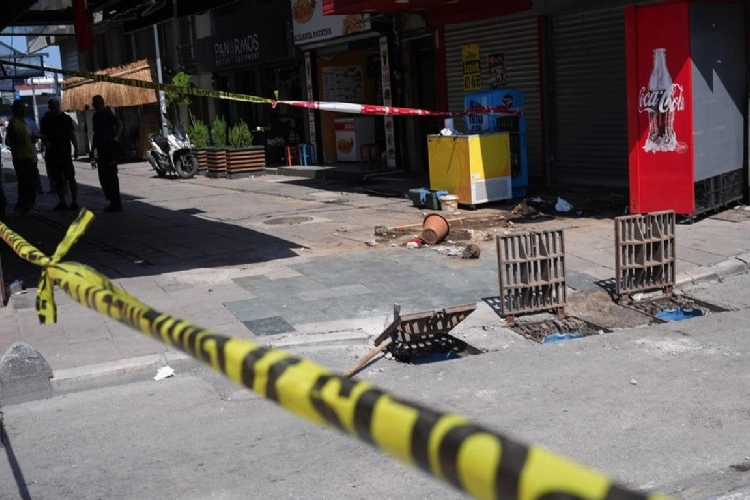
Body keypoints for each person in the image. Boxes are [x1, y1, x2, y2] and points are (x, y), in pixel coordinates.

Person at [40, 97, 80, 211]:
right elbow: (43, 135)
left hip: (65, 153)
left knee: (70, 177)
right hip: (52, 154)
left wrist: (76, 148)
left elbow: (72, 134)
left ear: (59, 106)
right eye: (52, 107)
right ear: (49, 107)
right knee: (57, 179)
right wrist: (45, 143)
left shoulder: (66, 119)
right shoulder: (46, 120)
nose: (55, 109)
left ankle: (74, 201)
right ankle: (62, 201)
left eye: (56, 106)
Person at [91, 94, 123, 212]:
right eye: (96, 103)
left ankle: (116, 203)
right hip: (101, 150)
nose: (98, 105)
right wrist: (92, 151)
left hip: (109, 150)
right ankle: (111, 200)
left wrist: (115, 137)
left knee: (112, 177)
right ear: (93, 105)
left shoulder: (108, 114)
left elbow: (119, 124)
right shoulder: (95, 116)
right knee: (103, 178)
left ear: (103, 103)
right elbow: (95, 134)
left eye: (100, 103)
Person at [5, 100, 37, 214]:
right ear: (15, 110)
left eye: (23, 108)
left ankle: (26, 204)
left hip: (27, 155)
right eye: (20, 108)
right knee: (25, 181)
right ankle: (24, 205)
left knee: (28, 181)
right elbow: (17, 139)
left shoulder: (21, 122)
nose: (22, 110)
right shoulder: (14, 123)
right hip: (21, 156)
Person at [24, 114, 45, 195]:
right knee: (34, 171)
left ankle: (31, 191)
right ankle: (38, 189)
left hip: (22, 154)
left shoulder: (14, 123)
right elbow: (35, 138)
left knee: (25, 173)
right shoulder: (31, 122)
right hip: (30, 152)